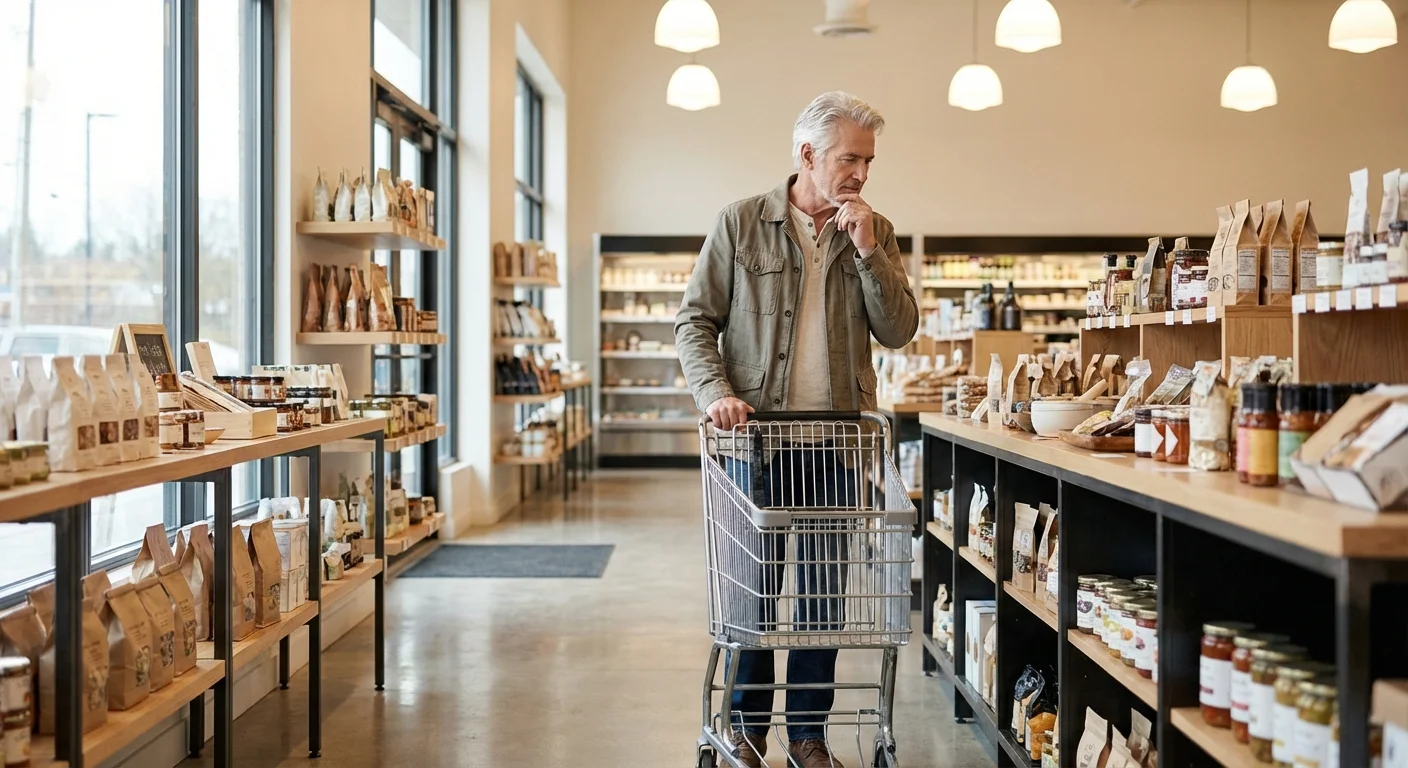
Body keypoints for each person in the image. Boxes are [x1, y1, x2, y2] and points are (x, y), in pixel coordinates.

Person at [675, 91, 918, 768]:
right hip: (756, 445)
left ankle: (807, 736)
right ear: (807, 154)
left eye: (868, 160)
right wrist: (717, 393)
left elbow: (898, 329)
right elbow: (694, 321)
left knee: (821, 599)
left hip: (837, 447)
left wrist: (869, 251)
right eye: (849, 158)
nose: (861, 173)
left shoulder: (876, 229)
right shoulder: (741, 224)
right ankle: (748, 731)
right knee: (753, 600)